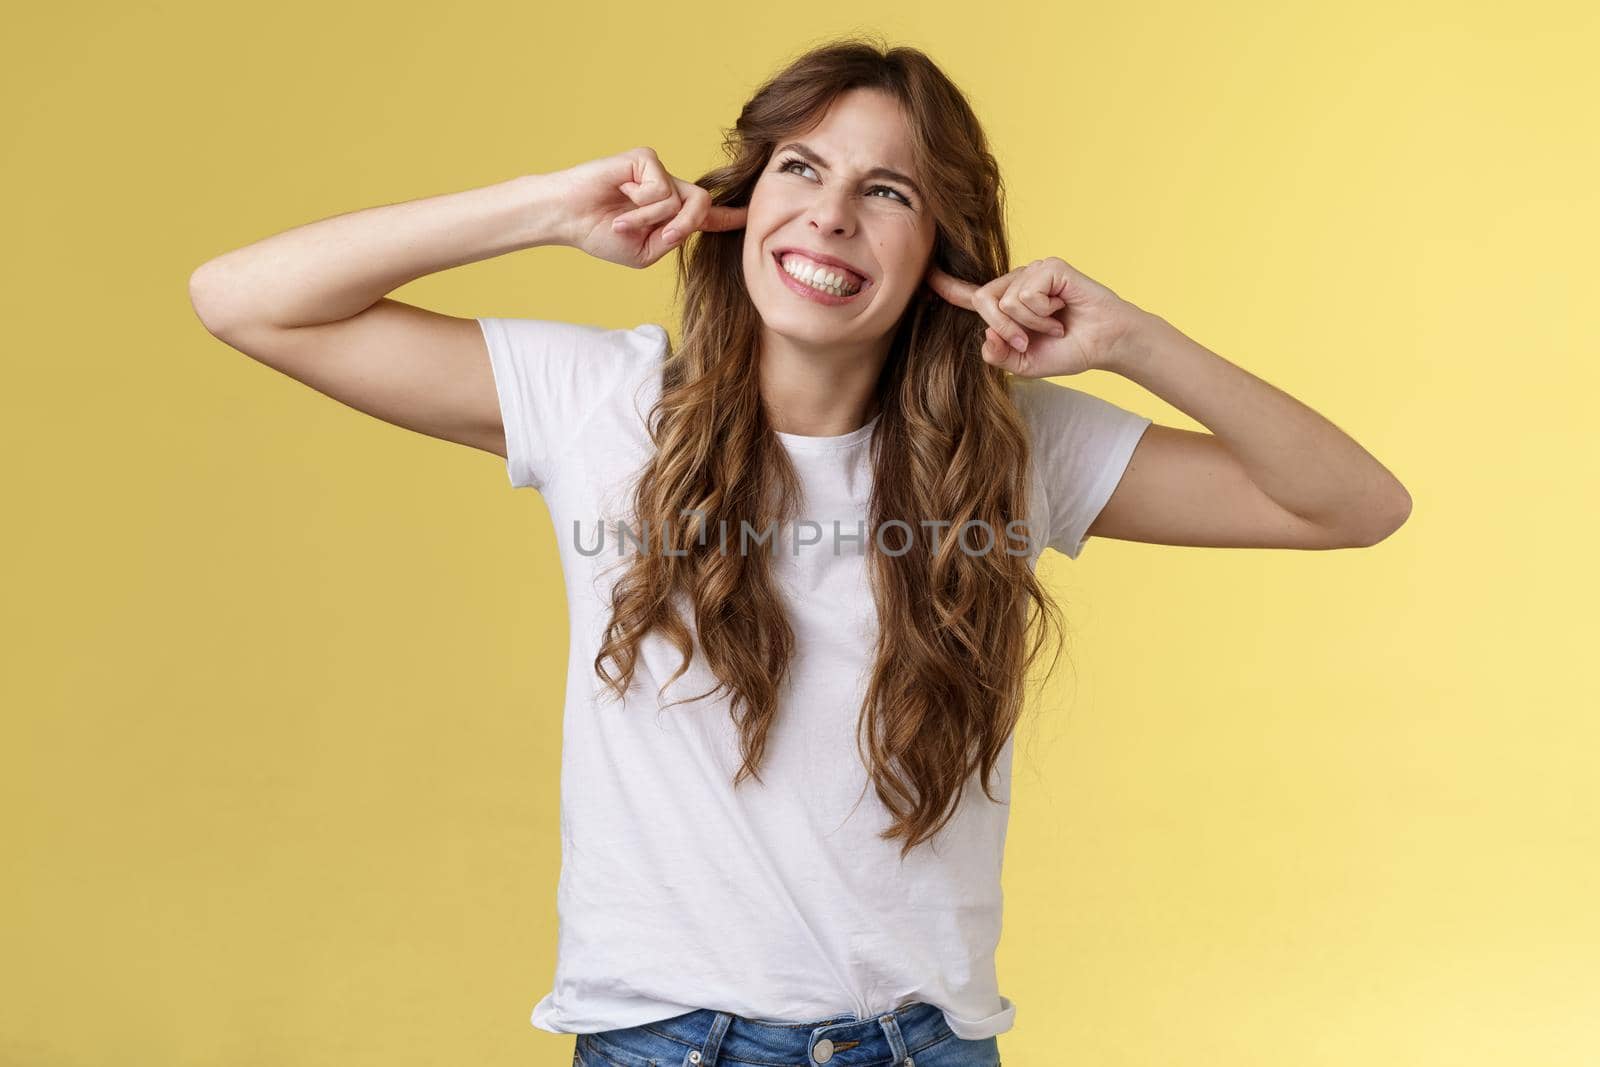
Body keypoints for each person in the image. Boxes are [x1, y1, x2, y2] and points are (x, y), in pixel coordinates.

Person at [188, 35, 1411, 1067]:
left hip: (924, 1042)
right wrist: (548, 210)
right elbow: (244, 297)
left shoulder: (1013, 447)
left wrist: (1132, 339)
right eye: (800, 167)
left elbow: (1351, 502)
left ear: (941, 247)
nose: (829, 212)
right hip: (667, 1041)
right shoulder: (607, 406)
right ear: (742, 200)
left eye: (887, 190)